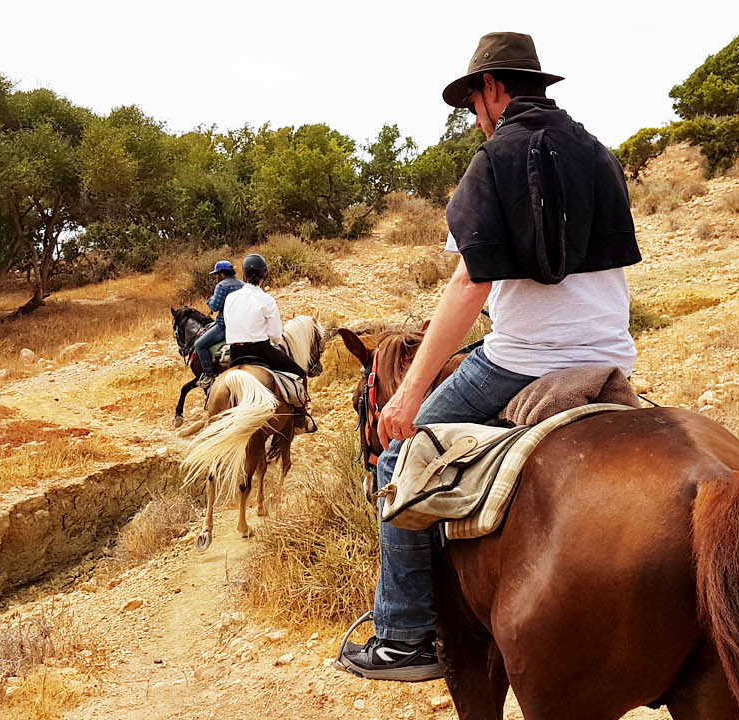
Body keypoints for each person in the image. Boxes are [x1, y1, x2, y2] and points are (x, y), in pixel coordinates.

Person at [336, 32, 640, 682]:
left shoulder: (493, 160)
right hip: (611, 356)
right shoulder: (599, 154)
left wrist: (410, 394)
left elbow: (469, 286)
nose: (476, 116)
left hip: (524, 361)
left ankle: (403, 634)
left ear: (494, 89)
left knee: (401, 457)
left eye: (474, 101)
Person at [222, 253, 309, 379]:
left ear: (244, 275)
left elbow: (228, 323)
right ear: (264, 275)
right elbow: (276, 336)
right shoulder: (266, 300)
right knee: (300, 375)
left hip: (235, 353)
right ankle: (304, 398)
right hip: (260, 351)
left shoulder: (230, 298)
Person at [194, 260, 243, 388]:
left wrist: (209, 301)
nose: (216, 277)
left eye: (217, 275)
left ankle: (209, 375)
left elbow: (215, 307)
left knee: (199, 345)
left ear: (222, 274)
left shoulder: (222, 286)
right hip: (242, 325)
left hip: (224, 326)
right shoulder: (242, 284)